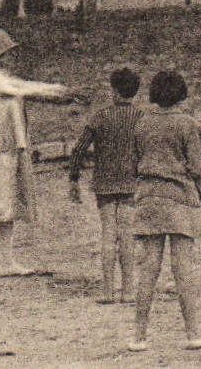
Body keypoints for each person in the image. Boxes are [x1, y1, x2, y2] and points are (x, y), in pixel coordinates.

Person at [0, 28, 76, 281]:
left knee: (10, 204)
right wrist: (59, 90)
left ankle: (6, 260)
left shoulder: (3, 78)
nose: (12, 57)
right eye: (9, 52)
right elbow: (24, 88)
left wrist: (60, 96)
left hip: (13, 146)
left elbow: (26, 91)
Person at [129, 70, 201, 352]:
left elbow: (135, 162)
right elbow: (197, 166)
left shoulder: (141, 123)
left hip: (147, 199)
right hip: (179, 199)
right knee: (182, 269)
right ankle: (194, 334)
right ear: (181, 94)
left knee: (148, 269)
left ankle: (138, 337)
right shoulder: (186, 123)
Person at [69, 67, 143, 304]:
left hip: (104, 183)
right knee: (127, 235)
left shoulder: (100, 117)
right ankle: (129, 290)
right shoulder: (141, 118)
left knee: (108, 235)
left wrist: (73, 179)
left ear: (113, 90)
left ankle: (108, 291)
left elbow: (78, 149)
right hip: (131, 182)